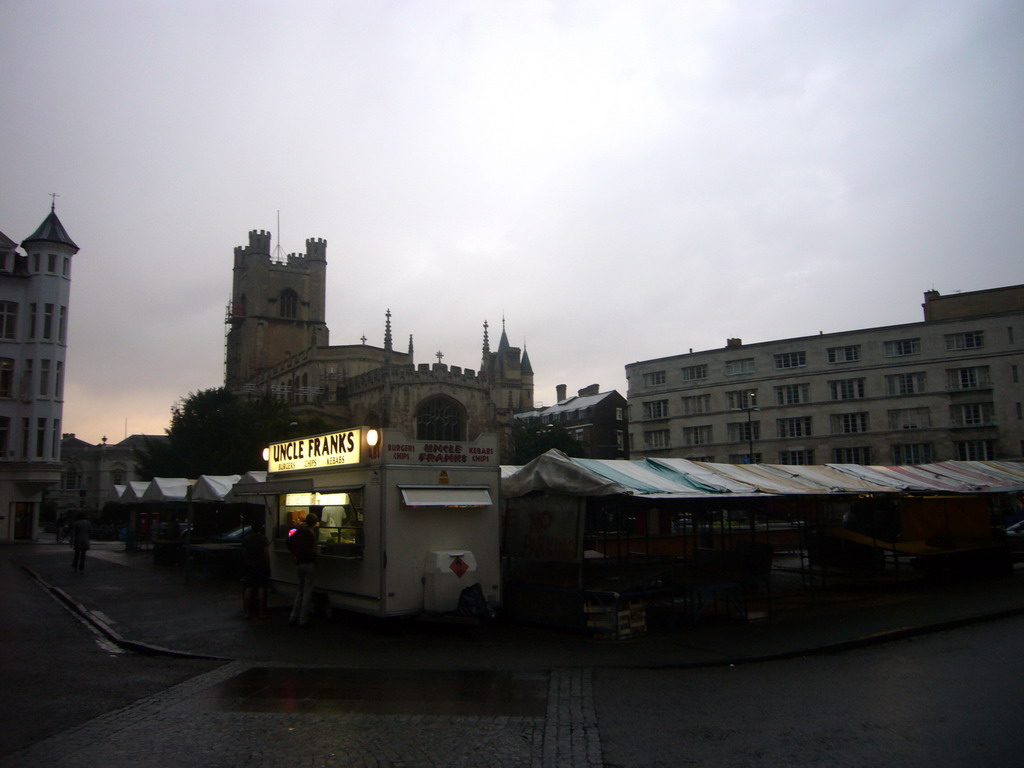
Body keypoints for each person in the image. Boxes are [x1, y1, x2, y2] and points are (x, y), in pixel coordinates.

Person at [287, 512, 319, 627]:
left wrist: (295, 553)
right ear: (315, 523)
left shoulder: (298, 531)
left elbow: (289, 540)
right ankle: (302, 619)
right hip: (309, 563)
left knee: (300, 590)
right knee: (307, 592)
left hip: (299, 563)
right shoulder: (311, 534)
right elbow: (313, 548)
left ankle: (293, 616)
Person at [241, 521, 271, 619]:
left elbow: (244, 553)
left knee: (248, 588)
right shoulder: (263, 539)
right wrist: (268, 565)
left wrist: (246, 563)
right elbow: (266, 554)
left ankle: (246, 613)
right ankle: (261, 613)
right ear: (260, 529)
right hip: (261, 566)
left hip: (249, 566)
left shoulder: (246, 538)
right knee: (261, 588)